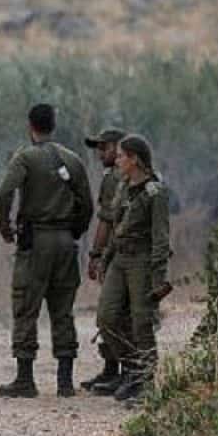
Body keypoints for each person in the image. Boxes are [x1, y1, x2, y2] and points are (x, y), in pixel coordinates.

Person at [0, 103, 94, 398]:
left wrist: (4, 226)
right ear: (53, 125)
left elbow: (3, 193)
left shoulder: (25, 157)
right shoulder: (73, 160)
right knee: (63, 311)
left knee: (26, 307)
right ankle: (65, 382)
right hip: (65, 243)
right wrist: (74, 230)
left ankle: (25, 379)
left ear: (30, 125)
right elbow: (87, 204)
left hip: (35, 242)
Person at [93, 135, 172, 401]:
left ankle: (146, 384)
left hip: (142, 260)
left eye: (121, 156)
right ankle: (131, 369)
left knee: (142, 322)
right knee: (106, 317)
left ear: (135, 159)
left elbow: (161, 238)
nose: (117, 161)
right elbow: (116, 227)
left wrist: (158, 278)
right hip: (119, 259)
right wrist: (105, 260)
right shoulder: (123, 187)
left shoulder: (155, 192)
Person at [82, 127, 127, 391]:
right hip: (118, 254)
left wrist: (95, 254)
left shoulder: (115, 178)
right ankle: (113, 370)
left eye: (104, 147)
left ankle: (122, 371)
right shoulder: (117, 175)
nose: (100, 153)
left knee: (113, 313)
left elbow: (105, 221)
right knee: (113, 311)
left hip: (116, 254)